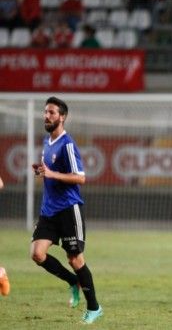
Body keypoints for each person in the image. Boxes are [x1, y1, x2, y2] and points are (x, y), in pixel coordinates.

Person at [30, 97, 103, 324]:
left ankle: (94, 308)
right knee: (37, 253)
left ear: (62, 117)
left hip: (69, 210)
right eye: (45, 112)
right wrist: (43, 171)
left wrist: (52, 174)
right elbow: (52, 171)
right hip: (48, 210)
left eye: (52, 113)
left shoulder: (68, 144)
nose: (47, 116)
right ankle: (73, 282)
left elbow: (80, 177)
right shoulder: (47, 141)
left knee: (75, 259)